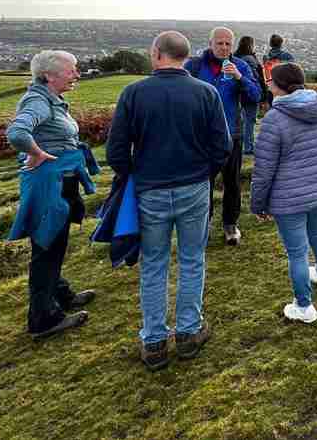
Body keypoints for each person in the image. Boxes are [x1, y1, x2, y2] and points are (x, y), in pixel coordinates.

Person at [107, 31, 231, 370]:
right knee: (192, 259)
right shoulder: (205, 92)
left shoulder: (133, 93)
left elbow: (116, 150)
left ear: (156, 54)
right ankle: (189, 333)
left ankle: (154, 341)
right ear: (184, 56)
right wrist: (204, 174)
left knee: (154, 264)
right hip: (194, 186)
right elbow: (223, 145)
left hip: (150, 189)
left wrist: (134, 174)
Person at [5, 50, 96, 339]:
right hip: (50, 185)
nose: (77, 75)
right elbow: (17, 133)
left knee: (53, 243)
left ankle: (61, 294)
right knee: (47, 248)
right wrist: (37, 152)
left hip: (59, 180)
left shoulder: (49, 98)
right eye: (72, 70)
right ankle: (43, 318)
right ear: (49, 75)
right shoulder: (38, 101)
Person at [252, 63, 317, 324]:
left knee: (297, 252)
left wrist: (258, 204)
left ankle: (304, 307)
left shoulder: (274, 120)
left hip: (288, 198)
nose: (268, 85)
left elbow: (264, 169)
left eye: (270, 81)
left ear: (279, 86)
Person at [184, 27, 261, 245]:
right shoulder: (195, 66)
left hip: (231, 134)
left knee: (232, 183)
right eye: (219, 43)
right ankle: (202, 225)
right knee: (202, 184)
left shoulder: (241, 66)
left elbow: (255, 96)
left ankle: (230, 224)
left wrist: (239, 78)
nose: (224, 48)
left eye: (228, 44)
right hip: (202, 136)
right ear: (210, 44)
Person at [236, 35, 266, 156]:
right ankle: (248, 147)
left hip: (238, 93)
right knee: (250, 120)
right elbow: (257, 78)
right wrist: (262, 93)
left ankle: (241, 145)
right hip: (250, 93)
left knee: (241, 120)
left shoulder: (236, 58)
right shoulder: (250, 59)